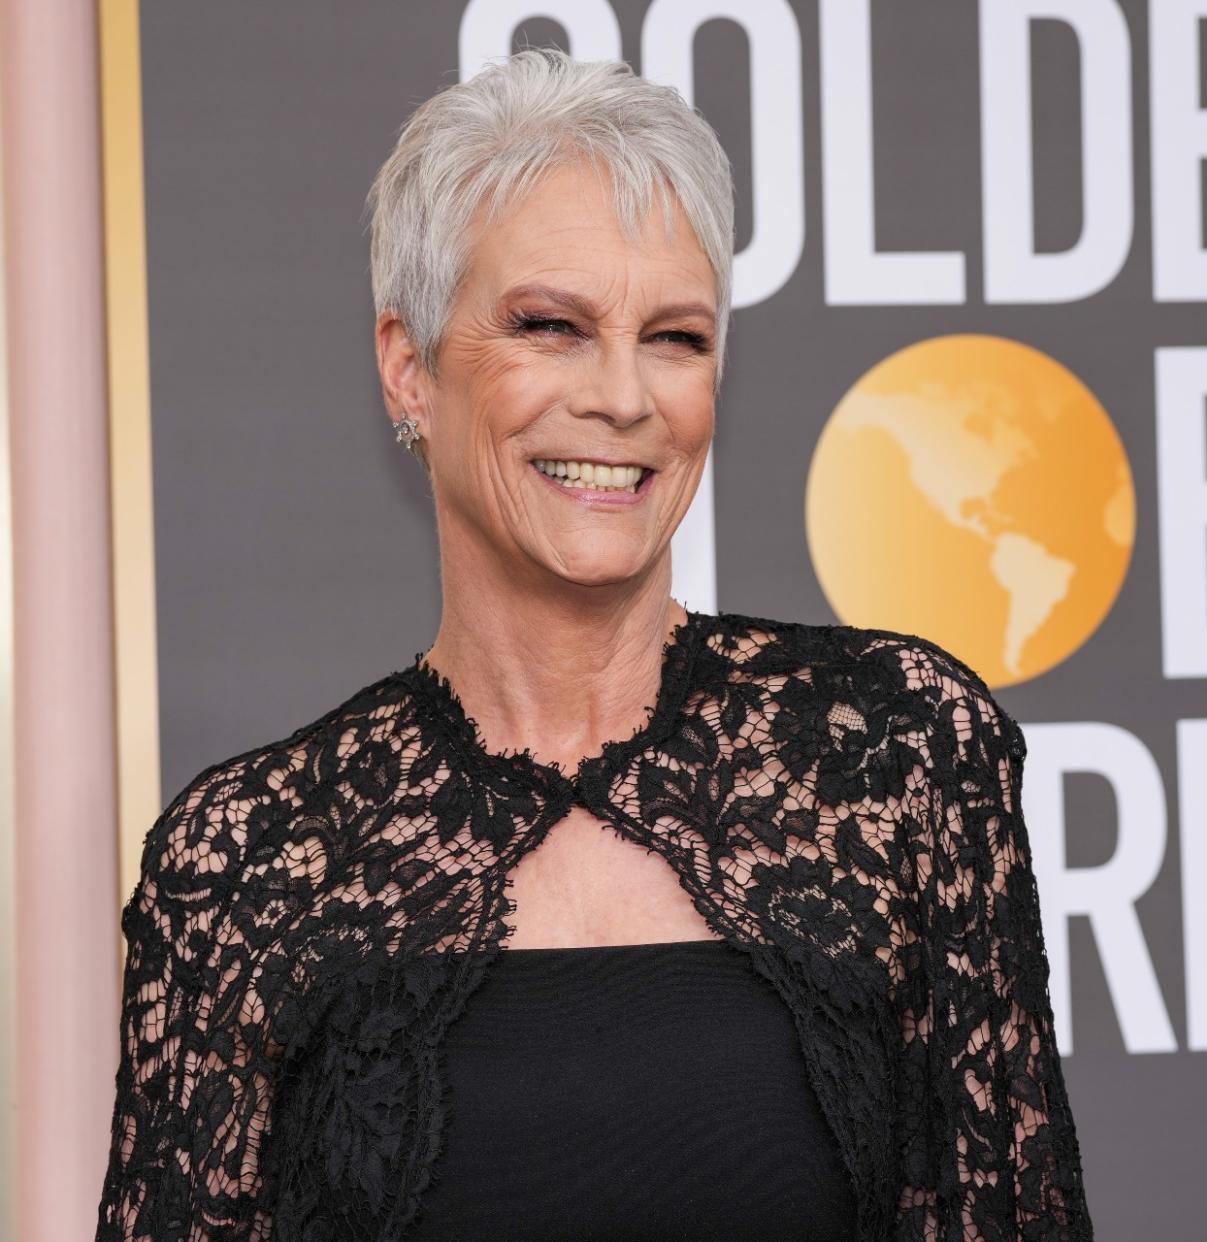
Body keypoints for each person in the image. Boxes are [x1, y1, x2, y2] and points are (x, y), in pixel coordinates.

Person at [96, 47, 1092, 1242]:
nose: (624, 397)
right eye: (553, 326)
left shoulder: (897, 752)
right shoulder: (248, 863)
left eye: (674, 337)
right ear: (408, 368)